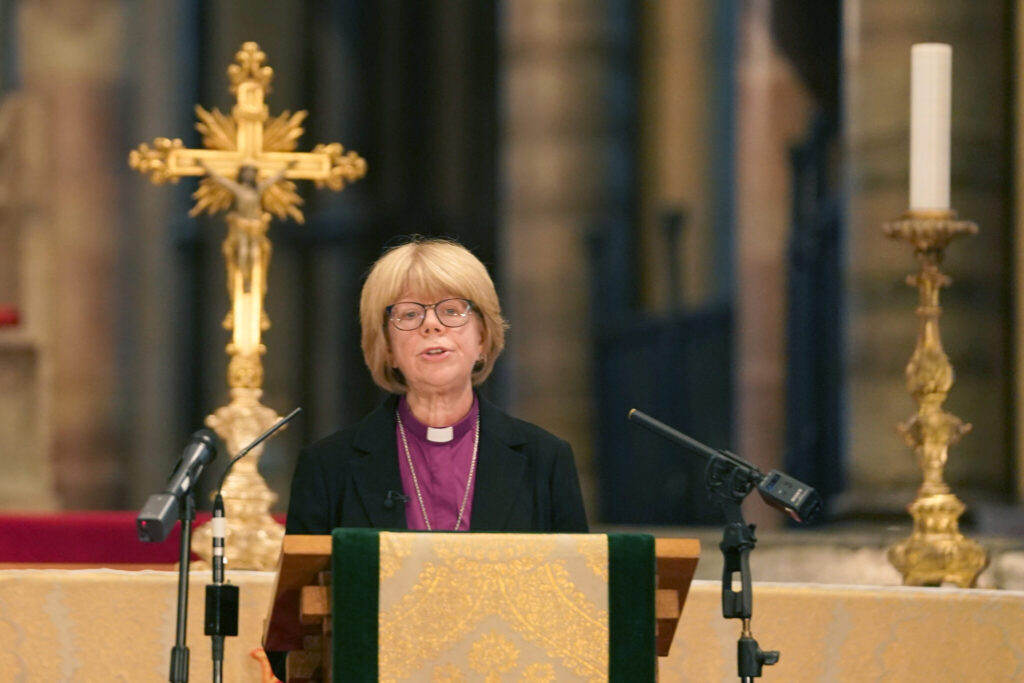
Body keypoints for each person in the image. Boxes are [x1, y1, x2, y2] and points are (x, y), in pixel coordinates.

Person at [284, 236, 589, 534]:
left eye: (452, 311)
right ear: (387, 348)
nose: (431, 325)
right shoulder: (327, 467)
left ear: (482, 338)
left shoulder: (546, 460)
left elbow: (575, 567)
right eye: (410, 314)